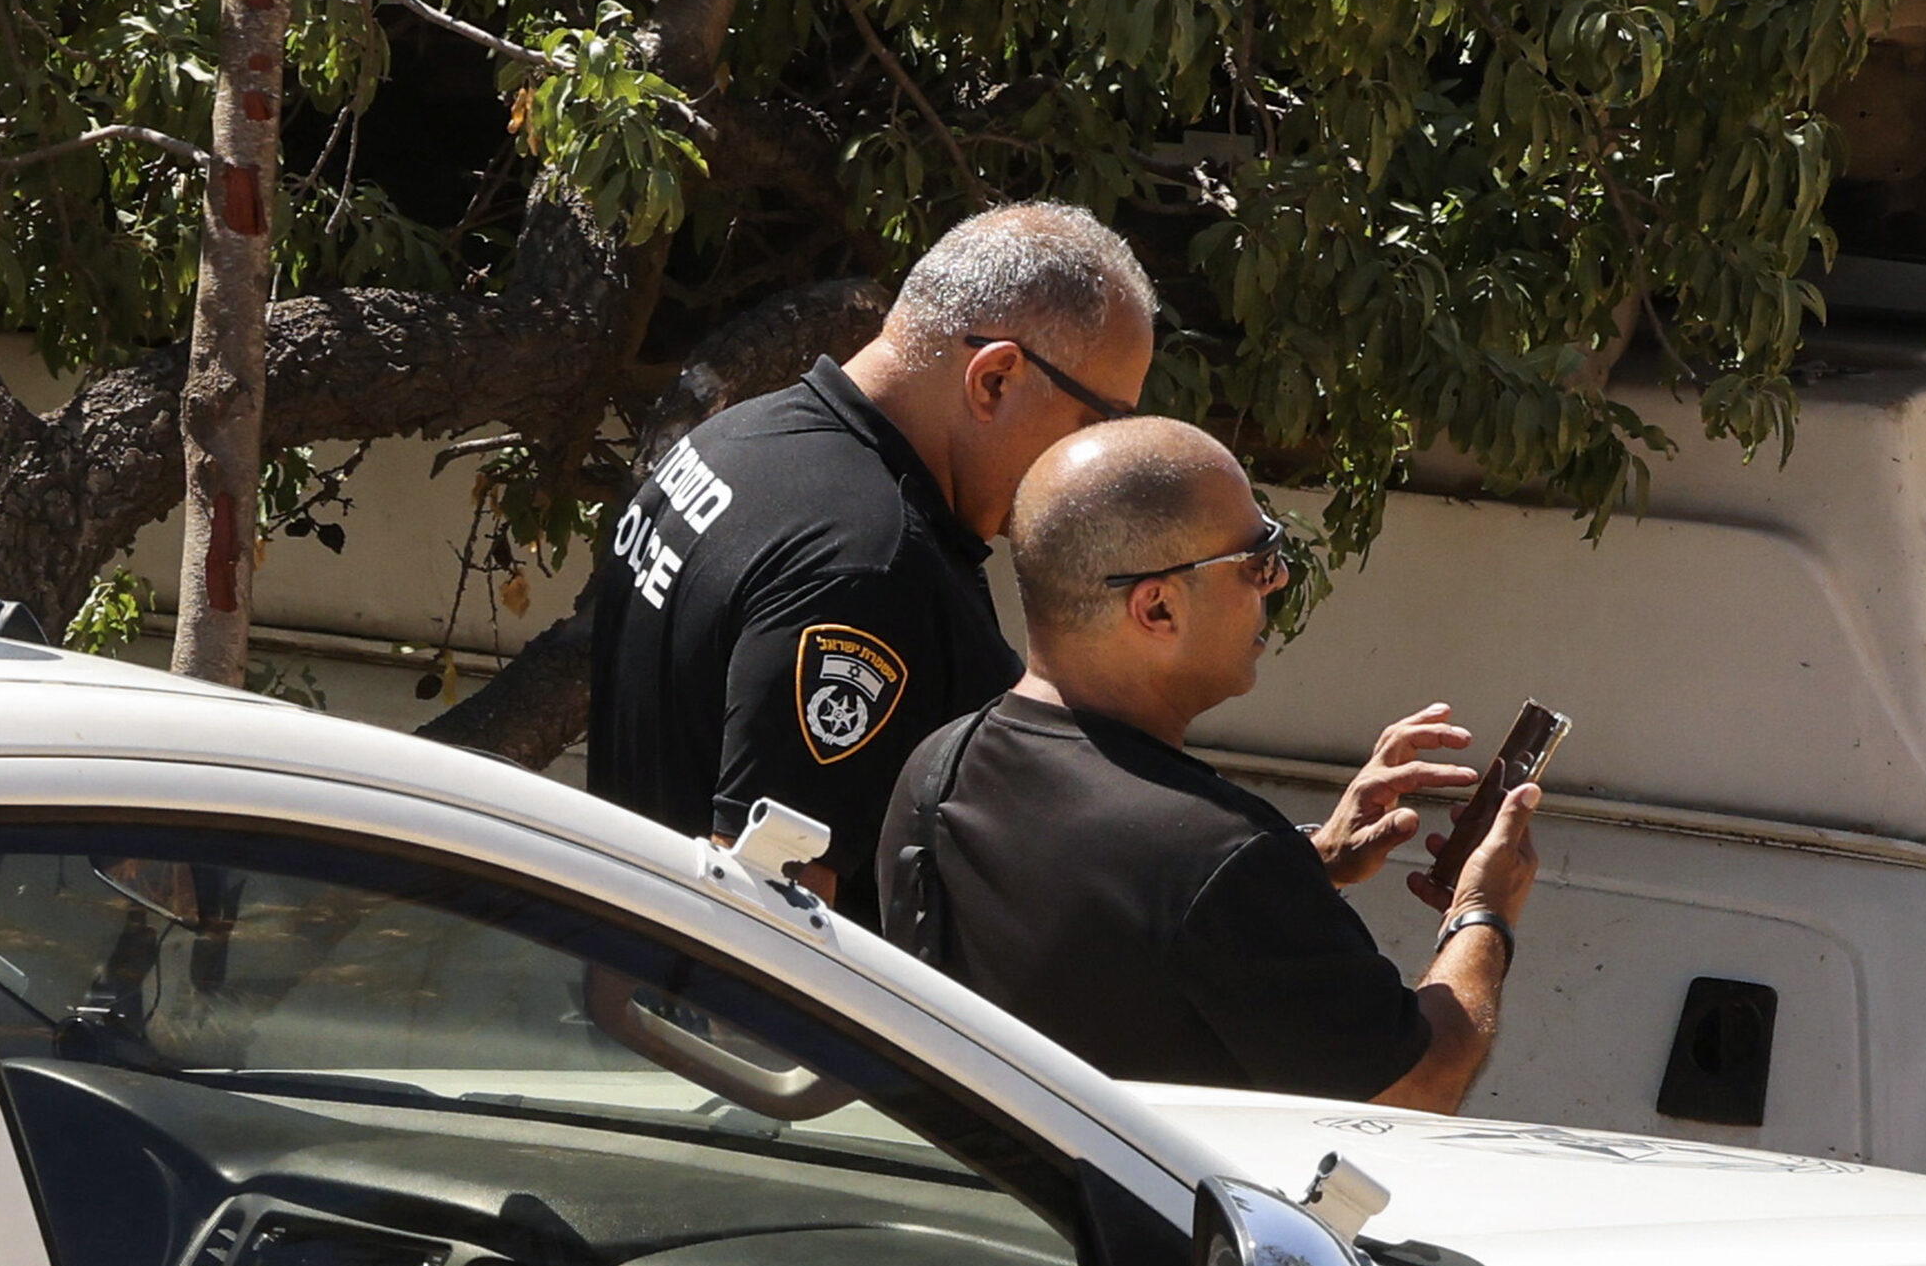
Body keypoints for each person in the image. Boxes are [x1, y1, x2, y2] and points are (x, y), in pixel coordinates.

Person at [871, 421, 1538, 1109]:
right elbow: (1416, 1089)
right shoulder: (1219, 855)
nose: (1276, 581)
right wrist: (1483, 913)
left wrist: (1309, 867)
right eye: (1257, 560)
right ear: (1157, 606)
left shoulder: (938, 767)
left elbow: (1108, 946)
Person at [587, 204, 1166, 904]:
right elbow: (763, 919)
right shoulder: (870, 565)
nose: (1098, 460)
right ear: (995, 379)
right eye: (1099, 420)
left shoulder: (739, 439)